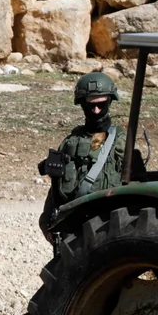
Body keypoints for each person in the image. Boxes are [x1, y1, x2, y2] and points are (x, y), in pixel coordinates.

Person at [38, 72, 126, 238]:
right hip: (75, 228)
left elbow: (137, 184)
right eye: (90, 105)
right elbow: (57, 186)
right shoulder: (71, 142)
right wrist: (48, 223)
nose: (96, 110)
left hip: (110, 226)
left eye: (101, 104)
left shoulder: (121, 142)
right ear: (81, 104)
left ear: (110, 101)